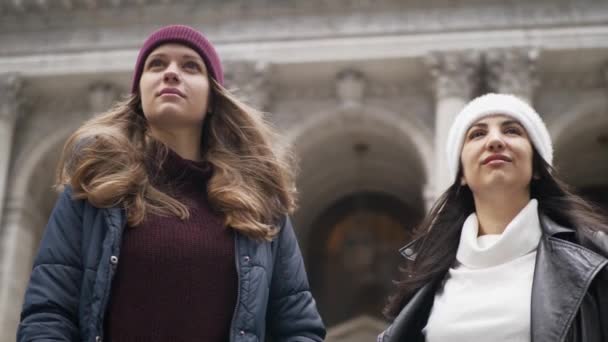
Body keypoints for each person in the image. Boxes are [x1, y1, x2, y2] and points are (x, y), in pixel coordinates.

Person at [17, 24, 325, 342]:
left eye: (190, 65)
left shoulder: (260, 204)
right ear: (139, 95)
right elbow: (49, 313)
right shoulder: (92, 189)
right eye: (157, 64)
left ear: (211, 98)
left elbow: (298, 326)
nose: (171, 73)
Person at [379, 93, 608, 342]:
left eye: (512, 131)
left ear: (537, 169)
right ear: (462, 174)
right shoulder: (426, 281)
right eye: (477, 134)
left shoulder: (594, 259)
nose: (495, 140)